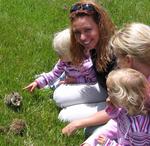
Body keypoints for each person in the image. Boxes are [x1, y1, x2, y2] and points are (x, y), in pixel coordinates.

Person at [79, 22, 150, 146]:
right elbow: (123, 119)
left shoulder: (142, 92)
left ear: (128, 60)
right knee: (91, 132)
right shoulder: (135, 84)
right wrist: (93, 141)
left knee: (90, 130)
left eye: (117, 58)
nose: (117, 63)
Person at [53, 0, 116, 128]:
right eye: (77, 32)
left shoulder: (116, 55)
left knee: (64, 116)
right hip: (106, 89)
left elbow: (123, 107)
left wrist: (80, 123)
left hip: (123, 103)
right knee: (59, 96)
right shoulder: (93, 46)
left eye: (88, 30)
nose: (82, 38)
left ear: (100, 25)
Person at [24, 28, 98, 121]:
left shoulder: (86, 65)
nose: (58, 56)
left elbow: (93, 80)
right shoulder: (64, 61)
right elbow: (54, 73)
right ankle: (46, 82)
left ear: (73, 53)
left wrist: (76, 80)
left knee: (61, 87)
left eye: (60, 54)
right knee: (57, 80)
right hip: (68, 77)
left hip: (82, 84)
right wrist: (38, 82)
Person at [97, 68, 150, 146]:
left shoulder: (138, 130)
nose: (108, 94)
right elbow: (117, 118)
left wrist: (109, 144)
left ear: (122, 97)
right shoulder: (127, 108)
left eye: (110, 91)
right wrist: (112, 107)